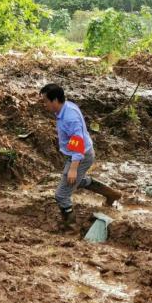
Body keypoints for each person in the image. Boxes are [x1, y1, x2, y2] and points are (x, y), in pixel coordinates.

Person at [40, 84, 122, 232]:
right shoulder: (65, 108)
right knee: (76, 181)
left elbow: (77, 140)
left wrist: (73, 167)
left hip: (81, 155)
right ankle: (112, 194)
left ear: (55, 100)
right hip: (78, 153)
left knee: (61, 194)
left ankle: (71, 227)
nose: (44, 104)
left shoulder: (70, 117)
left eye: (46, 101)